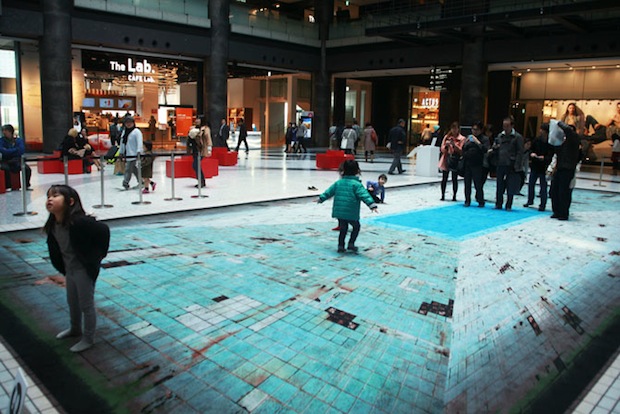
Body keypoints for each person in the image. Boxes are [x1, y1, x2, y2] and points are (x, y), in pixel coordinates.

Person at [44, 185, 110, 353]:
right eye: (48, 196)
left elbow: (103, 230)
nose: (50, 199)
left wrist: (97, 256)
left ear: (70, 201)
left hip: (83, 269)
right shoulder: (54, 225)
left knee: (86, 304)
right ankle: (75, 329)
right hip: (69, 269)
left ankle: (88, 338)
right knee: (72, 301)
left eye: (55, 196)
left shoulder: (79, 222)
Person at [317, 160, 378, 253]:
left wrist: (321, 198)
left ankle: (341, 246)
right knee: (356, 227)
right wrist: (372, 205)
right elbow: (364, 195)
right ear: (357, 171)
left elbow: (329, 192)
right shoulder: (357, 185)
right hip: (351, 212)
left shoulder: (339, 183)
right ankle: (351, 244)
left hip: (340, 211)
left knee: (343, 228)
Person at [549, 122, 581, 220]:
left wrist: (559, 123)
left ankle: (563, 213)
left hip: (567, 169)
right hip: (560, 168)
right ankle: (557, 211)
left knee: (564, 192)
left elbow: (569, 132)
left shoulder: (574, 140)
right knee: (554, 191)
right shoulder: (561, 143)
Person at [492, 116, 524, 210]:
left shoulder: (517, 137)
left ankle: (508, 204)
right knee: (499, 184)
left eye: (507, 126)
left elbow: (520, 152)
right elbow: (495, 147)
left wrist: (517, 164)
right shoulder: (499, 136)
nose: (505, 128)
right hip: (500, 162)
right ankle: (498, 203)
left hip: (511, 164)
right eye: (504, 126)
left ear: (512, 126)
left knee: (510, 185)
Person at [523, 123, 552, 211]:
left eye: (542, 130)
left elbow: (551, 155)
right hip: (535, 165)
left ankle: (543, 204)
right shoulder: (537, 140)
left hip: (544, 166)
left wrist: (545, 158)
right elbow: (531, 149)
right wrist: (532, 154)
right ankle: (530, 200)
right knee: (531, 184)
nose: (540, 131)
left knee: (543, 186)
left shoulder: (550, 142)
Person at [461, 121, 489, 207]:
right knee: (467, 183)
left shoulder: (484, 139)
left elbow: (485, 149)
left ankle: (480, 200)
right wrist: (466, 142)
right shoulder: (469, 138)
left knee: (478, 184)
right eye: (473, 129)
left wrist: (477, 142)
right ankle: (467, 200)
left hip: (478, 164)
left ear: (480, 130)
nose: (474, 131)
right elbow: (463, 148)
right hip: (468, 163)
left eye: (476, 129)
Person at [438, 121, 465, 201]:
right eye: (452, 129)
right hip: (446, 158)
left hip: (455, 160)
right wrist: (446, 146)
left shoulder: (462, 138)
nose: (454, 130)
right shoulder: (447, 137)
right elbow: (442, 149)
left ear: (458, 129)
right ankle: (442, 195)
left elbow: (461, 151)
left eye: (455, 128)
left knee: (454, 178)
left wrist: (454, 145)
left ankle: (454, 195)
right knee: (444, 178)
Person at [0, 124, 32, 189]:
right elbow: (3, 151)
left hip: (16, 160)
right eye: (3, 130)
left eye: (5, 130)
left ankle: (26, 185)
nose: (4, 132)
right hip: (6, 161)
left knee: (27, 169)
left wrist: (9, 151)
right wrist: (15, 150)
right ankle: (8, 186)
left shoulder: (18, 140)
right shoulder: (1, 141)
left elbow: (21, 150)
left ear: (10, 131)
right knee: (5, 169)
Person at [119, 116, 143, 190]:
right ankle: (142, 182)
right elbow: (122, 142)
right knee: (134, 170)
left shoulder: (136, 131)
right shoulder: (124, 131)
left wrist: (139, 152)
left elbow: (139, 142)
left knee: (128, 169)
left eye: (130, 122)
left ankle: (125, 183)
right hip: (128, 154)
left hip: (134, 154)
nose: (128, 124)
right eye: (127, 123)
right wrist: (121, 152)